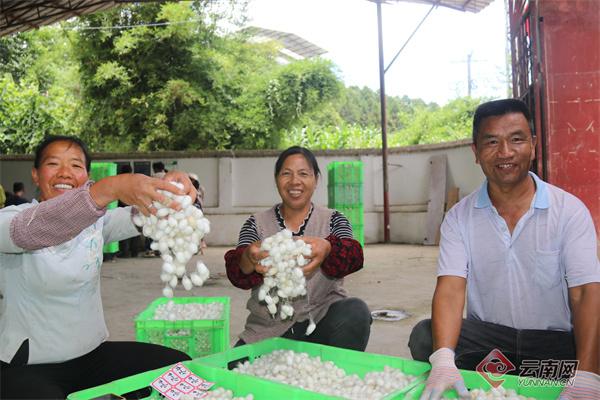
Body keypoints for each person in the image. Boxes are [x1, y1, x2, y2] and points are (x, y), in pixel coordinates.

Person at [408, 99, 600, 400]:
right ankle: (492, 381)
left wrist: (588, 373)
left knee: (594, 346)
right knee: (426, 336)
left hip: (553, 348)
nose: (505, 152)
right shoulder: (460, 217)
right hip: (491, 348)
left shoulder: (569, 211)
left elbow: (585, 293)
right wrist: (444, 358)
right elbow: (450, 289)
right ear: (476, 152)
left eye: (516, 139)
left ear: (533, 145)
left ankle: (565, 382)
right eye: (492, 142)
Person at [0, 135, 196, 398]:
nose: (65, 173)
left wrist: (171, 189)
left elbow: (144, 215)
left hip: (91, 357)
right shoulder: (11, 220)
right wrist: (110, 188)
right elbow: (36, 229)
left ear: (87, 175)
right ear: (35, 174)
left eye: (76, 166)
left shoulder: (95, 224)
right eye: (53, 164)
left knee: (179, 368)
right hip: (28, 367)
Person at [224, 146, 371, 351]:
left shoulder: (334, 220)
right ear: (276, 179)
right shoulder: (255, 224)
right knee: (237, 373)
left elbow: (354, 256)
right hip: (268, 329)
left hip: (321, 321)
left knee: (355, 312)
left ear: (316, 179)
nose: (295, 182)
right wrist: (249, 258)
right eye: (286, 174)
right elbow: (237, 271)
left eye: (303, 174)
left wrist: (328, 248)